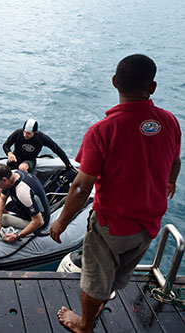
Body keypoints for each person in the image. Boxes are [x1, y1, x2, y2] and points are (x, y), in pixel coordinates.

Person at [49, 54, 181, 333]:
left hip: (112, 224)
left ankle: (85, 323)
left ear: (114, 83)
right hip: (149, 223)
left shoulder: (102, 131)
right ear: (153, 87)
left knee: (95, 278)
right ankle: (95, 305)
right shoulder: (170, 122)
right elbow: (176, 161)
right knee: (117, 276)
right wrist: (170, 182)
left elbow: (82, 186)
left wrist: (61, 221)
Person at [0, 163, 50, 242]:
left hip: (37, 221)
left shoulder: (22, 191)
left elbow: (39, 221)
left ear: (4, 180)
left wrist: (18, 236)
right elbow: (2, 199)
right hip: (23, 208)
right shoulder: (14, 175)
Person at [3, 119, 72, 172]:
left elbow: (57, 150)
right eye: (24, 132)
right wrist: (9, 153)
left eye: (28, 133)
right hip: (15, 159)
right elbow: (6, 145)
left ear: (35, 132)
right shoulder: (18, 133)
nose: (25, 135)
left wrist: (68, 165)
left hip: (29, 160)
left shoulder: (41, 138)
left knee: (22, 167)